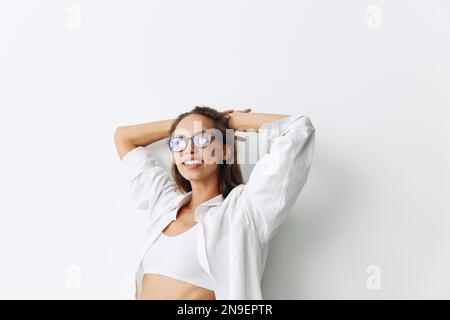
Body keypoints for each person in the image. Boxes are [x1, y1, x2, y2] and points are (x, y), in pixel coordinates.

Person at [114, 105, 315, 299]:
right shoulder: (164, 204)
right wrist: (188, 123)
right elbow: (123, 137)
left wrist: (231, 121)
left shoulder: (244, 211)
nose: (189, 149)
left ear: (225, 151)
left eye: (202, 139)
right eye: (179, 141)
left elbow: (299, 128)